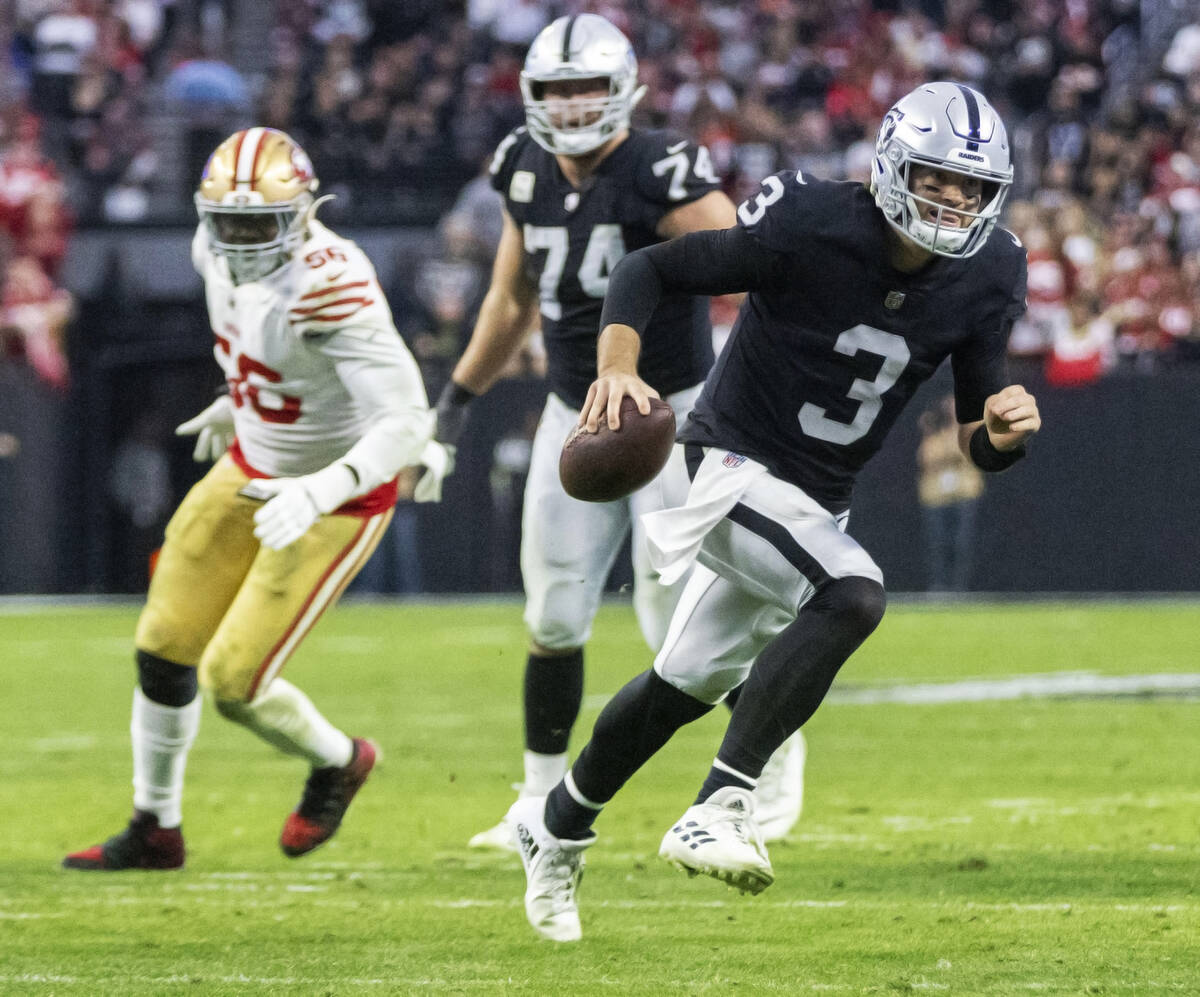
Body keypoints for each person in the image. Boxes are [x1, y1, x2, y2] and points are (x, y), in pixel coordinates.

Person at [508, 81, 1042, 942]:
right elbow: (652, 268)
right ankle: (722, 801)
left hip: (812, 499)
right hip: (724, 464)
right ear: (892, 167)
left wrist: (1004, 435)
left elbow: (979, 431)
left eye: (971, 187)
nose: (953, 200)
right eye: (937, 179)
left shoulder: (989, 271)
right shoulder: (811, 219)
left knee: (678, 687)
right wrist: (616, 366)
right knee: (854, 591)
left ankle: (556, 824)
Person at [434, 13, 806, 851]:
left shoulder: (658, 167)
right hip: (574, 413)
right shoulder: (521, 167)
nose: (569, 110)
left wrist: (758, 390)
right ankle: (534, 802)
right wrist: (456, 397)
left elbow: (745, 263)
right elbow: (508, 300)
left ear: (624, 91)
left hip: (673, 414)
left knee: (678, 619)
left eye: (586, 90)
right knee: (555, 607)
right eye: (555, 92)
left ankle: (771, 762)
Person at [63, 127, 450, 870]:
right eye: (228, 222)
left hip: (335, 496)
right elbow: (257, 346)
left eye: (258, 224)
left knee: (234, 681)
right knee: (163, 645)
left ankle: (339, 759)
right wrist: (240, 402)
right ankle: (155, 826)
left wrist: (320, 489)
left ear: (304, 213)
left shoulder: (331, 282)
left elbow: (405, 418)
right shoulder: (212, 250)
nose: (240, 240)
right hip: (251, 461)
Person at [917, 393, 984, 591]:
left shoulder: (971, 430)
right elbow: (927, 459)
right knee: (938, 543)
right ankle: (939, 586)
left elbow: (968, 454)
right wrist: (929, 431)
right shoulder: (934, 433)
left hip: (964, 493)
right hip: (937, 495)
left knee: (961, 543)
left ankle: (959, 587)